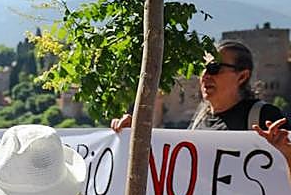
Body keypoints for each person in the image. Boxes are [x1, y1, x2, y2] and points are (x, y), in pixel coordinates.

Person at [111, 40, 284, 132]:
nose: (205, 75)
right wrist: (132, 135)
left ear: (242, 76)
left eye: (214, 68)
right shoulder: (200, 119)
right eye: (203, 68)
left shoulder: (265, 117)